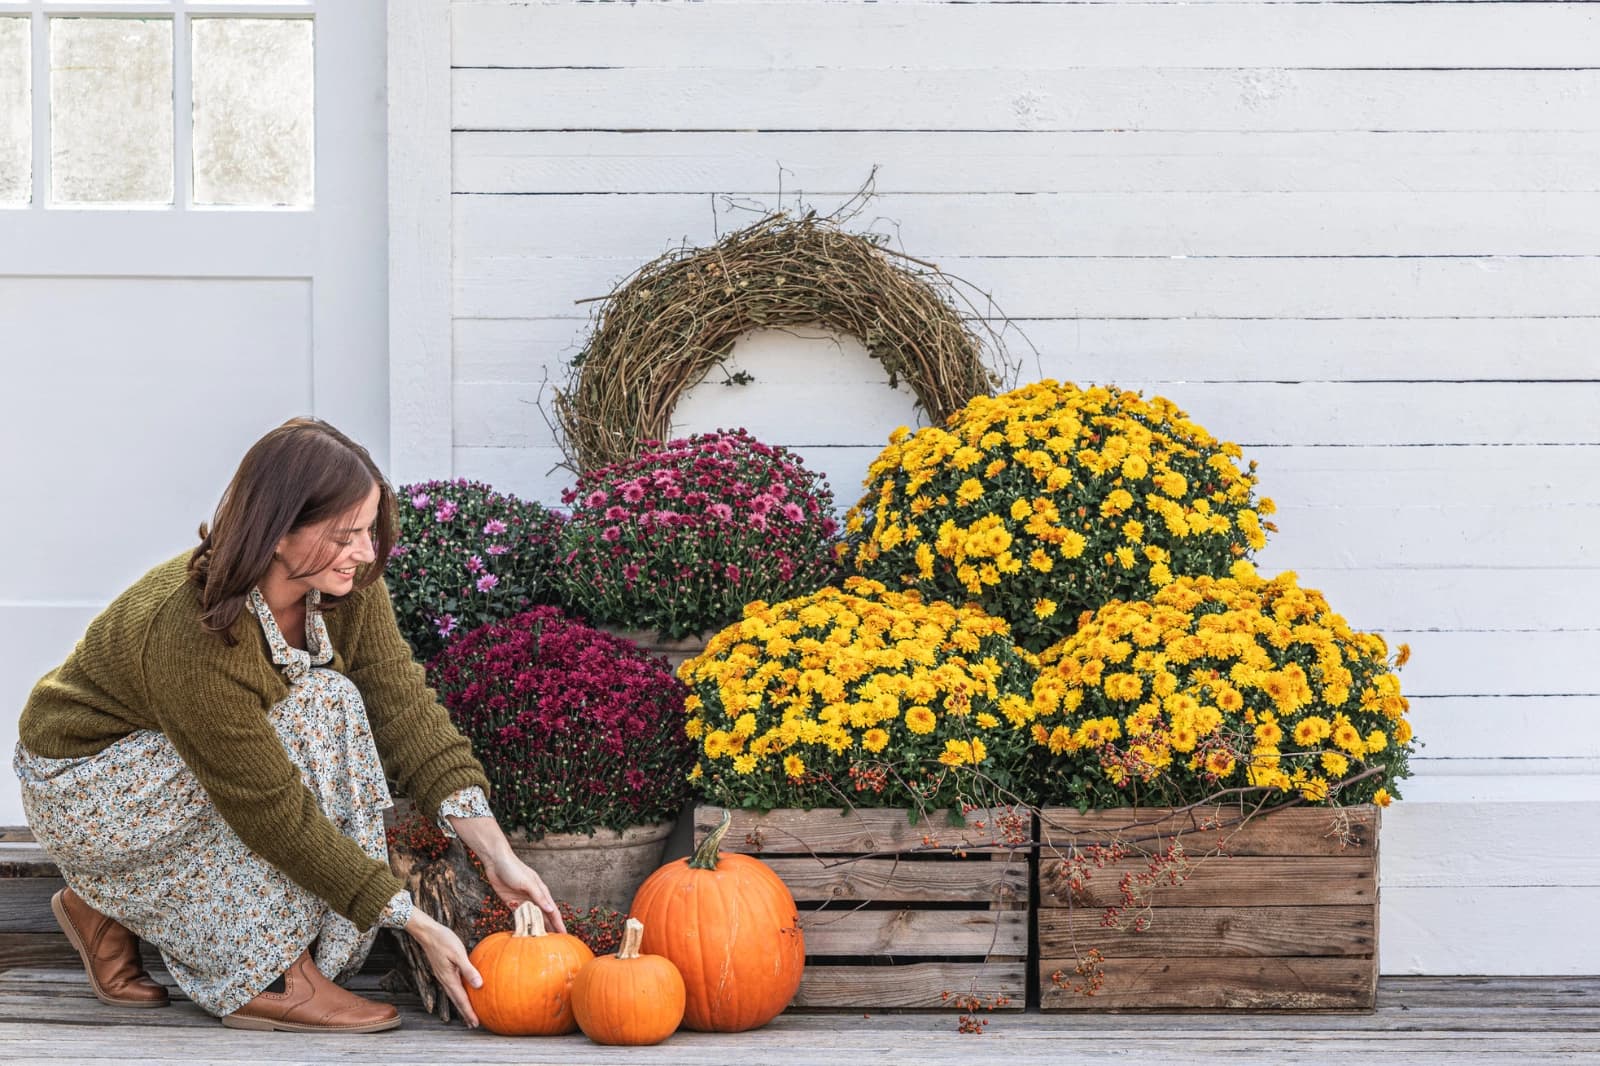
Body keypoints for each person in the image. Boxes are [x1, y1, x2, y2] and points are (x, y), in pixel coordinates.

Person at [13, 417, 564, 1032]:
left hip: (178, 767)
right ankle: (269, 974)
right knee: (319, 704)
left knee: (325, 700)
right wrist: (414, 921)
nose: (365, 551)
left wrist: (495, 853)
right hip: (90, 787)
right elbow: (269, 807)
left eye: (369, 530)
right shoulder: (191, 630)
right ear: (277, 532)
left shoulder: (344, 585)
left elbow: (402, 706)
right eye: (345, 534)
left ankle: (107, 905)